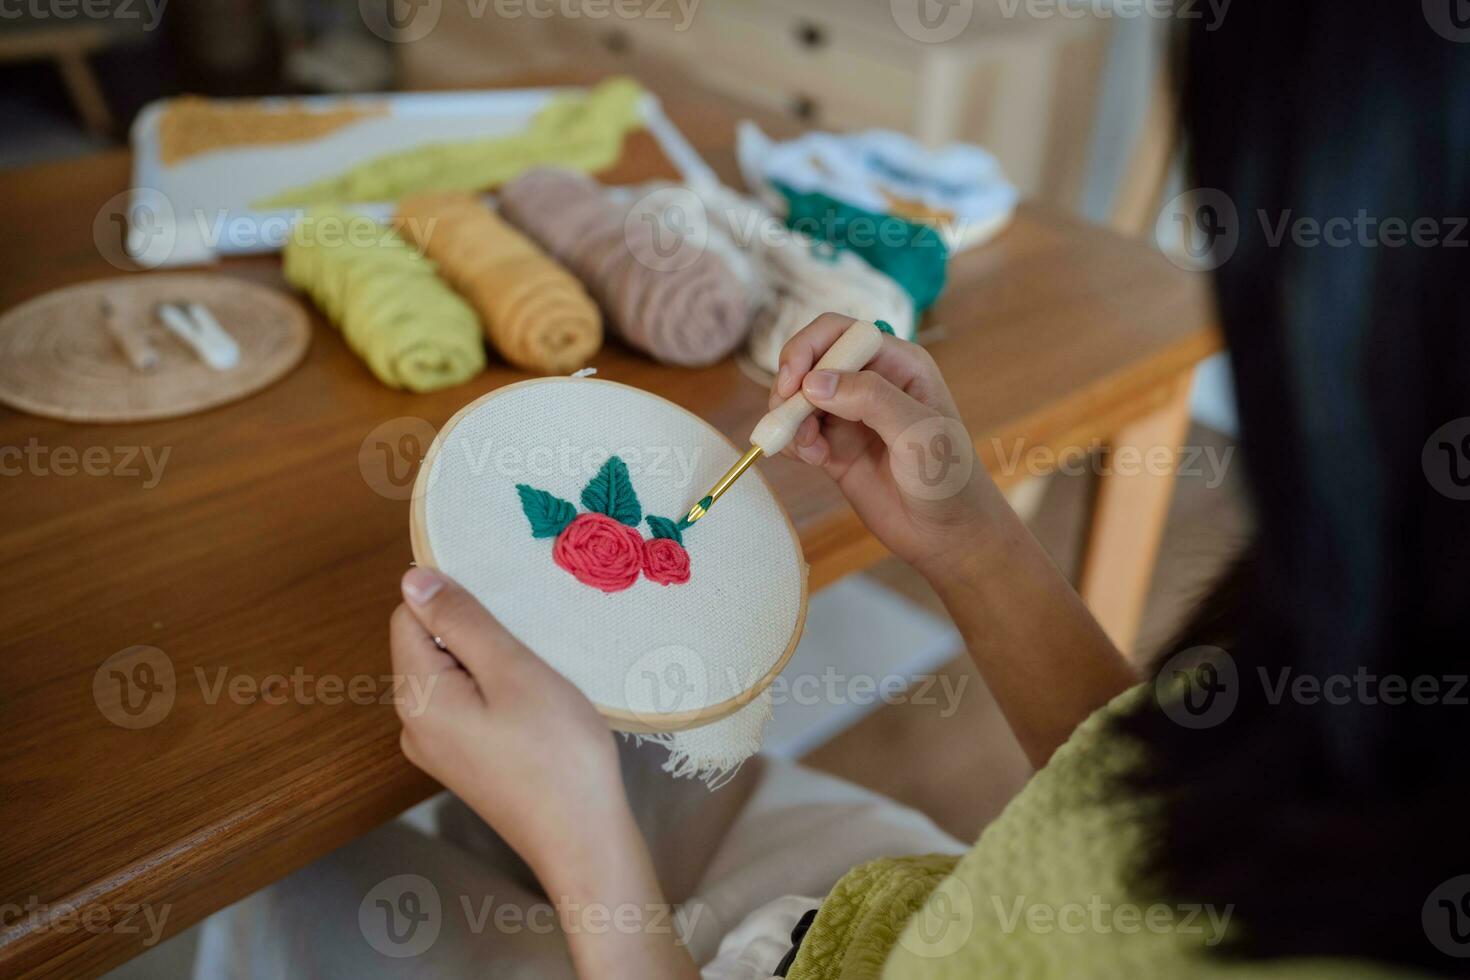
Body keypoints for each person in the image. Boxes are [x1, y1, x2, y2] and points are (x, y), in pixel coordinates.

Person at [196, 4, 1469, 977]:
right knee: (546, 741)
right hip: (878, 913)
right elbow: (1146, 816)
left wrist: (589, 856)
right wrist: (968, 538)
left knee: (285, 879)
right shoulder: (1374, 670)